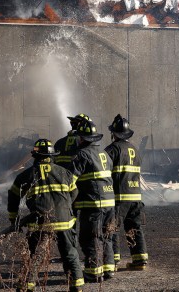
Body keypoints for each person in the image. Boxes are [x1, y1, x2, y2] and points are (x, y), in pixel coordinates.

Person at [7, 139, 84, 292]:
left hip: (40, 222)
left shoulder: (25, 176)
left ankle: (27, 286)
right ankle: (77, 284)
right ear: (52, 155)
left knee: (35, 254)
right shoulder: (65, 173)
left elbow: (13, 196)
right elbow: (74, 192)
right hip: (64, 222)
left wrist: (14, 219)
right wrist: (65, 207)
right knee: (69, 253)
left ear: (35, 156)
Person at [69, 117, 116, 282]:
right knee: (107, 236)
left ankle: (94, 272)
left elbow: (70, 181)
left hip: (94, 203)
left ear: (82, 138)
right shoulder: (104, 154)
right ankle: (109, 269)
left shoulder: (82, 154)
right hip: (110, 202)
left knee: (91, 237)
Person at [105, 114, 149, 270]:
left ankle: (113, 261)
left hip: (119, 196)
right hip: (136, 196)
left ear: (114, 134)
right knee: (134, 227)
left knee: (112, 228)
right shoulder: (135, 150)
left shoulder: (112, 150)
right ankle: (140, 260)